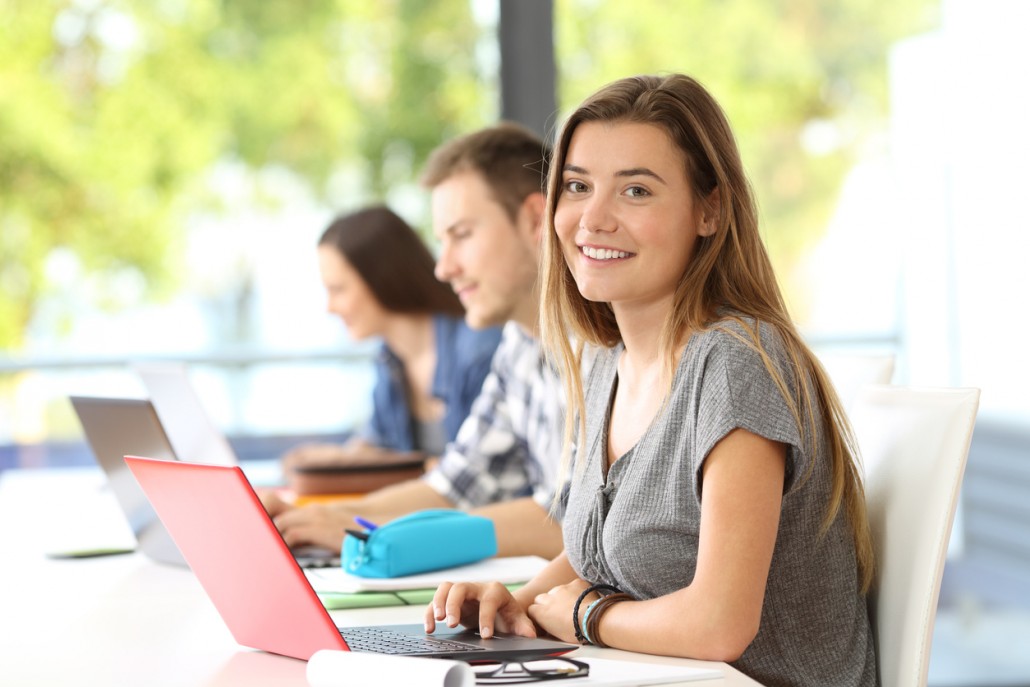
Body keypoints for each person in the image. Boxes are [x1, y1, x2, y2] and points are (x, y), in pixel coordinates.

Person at [426, 74, 878, 687]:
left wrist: (586, 614)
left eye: (636, 190)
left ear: (709, 210)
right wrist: (520, 602)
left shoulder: (735, 363)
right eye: (578, 186)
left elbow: (719, 624)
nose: (593, 218)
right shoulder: (603, 362)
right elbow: (599, 549)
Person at [265, 123, 568, 559]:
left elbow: (577, 524)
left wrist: (374, 532)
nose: (443, 269)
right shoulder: (518, 348)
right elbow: (454, 486)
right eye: (441, 241)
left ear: (536, 220)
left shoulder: (606, 348)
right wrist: (335, 517)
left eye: (461, 235)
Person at [280, 206, 501, 477]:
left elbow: (476, 475)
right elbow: (378, 444)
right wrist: (335, 459)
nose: (330, 308)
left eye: (337, 289)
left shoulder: (480, 350)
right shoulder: (390, 359)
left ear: (381, 278)